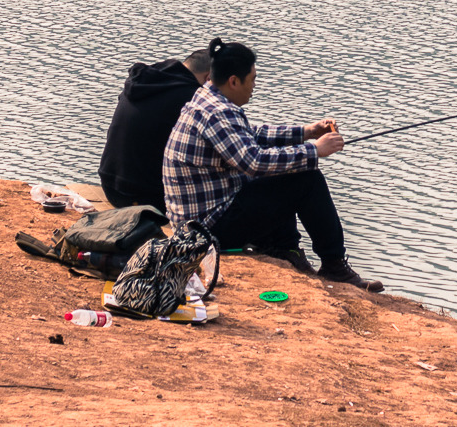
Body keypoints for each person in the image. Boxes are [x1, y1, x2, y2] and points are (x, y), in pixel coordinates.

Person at [163, 38, 381, 292]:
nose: (254, 86)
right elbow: (254, 162)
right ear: (234, 81)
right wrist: (315, 150)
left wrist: (306, 132)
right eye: (252, 79)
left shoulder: (208, 97)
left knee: (284, 171)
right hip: (207, 229)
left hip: (202, 218)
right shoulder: (217, 113)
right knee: (306, 177)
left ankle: (283, 248)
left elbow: (251, 135)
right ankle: (334, 264)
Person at [98, 48, 211, 211]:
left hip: (110, 185)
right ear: (209, 78)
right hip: (146, 197)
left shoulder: (146, 80)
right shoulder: (192, 98)